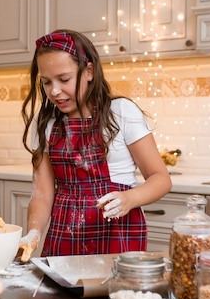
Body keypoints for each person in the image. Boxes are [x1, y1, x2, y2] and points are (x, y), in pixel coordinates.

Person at [18, 29, 172, 262]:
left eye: (64, 79)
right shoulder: (45, 122)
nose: (55, 91)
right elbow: (42, 194)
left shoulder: (120, 113)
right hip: (65, 233)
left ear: (89, 71)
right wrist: (34, 231)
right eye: (46, 82)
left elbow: (161, 178)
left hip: (119, 233)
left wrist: (129, 199)